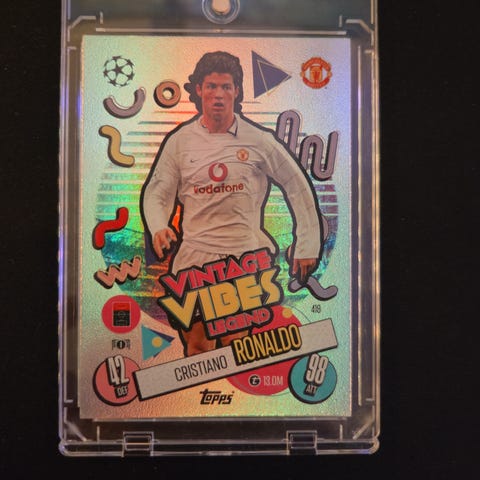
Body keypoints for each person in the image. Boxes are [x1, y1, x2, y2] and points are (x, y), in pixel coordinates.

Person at [141, 51, 322, 356]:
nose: (219, 95)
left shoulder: (258, 139)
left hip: (244, 257)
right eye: (211, 86)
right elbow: (157, 191)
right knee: (198, 347)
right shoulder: (180, 141)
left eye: (226, 87)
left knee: (235, 346)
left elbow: (297, 185)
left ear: (236, 91)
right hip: (195, 257)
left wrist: (307, 245)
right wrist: (158, 226)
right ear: (199, 89)